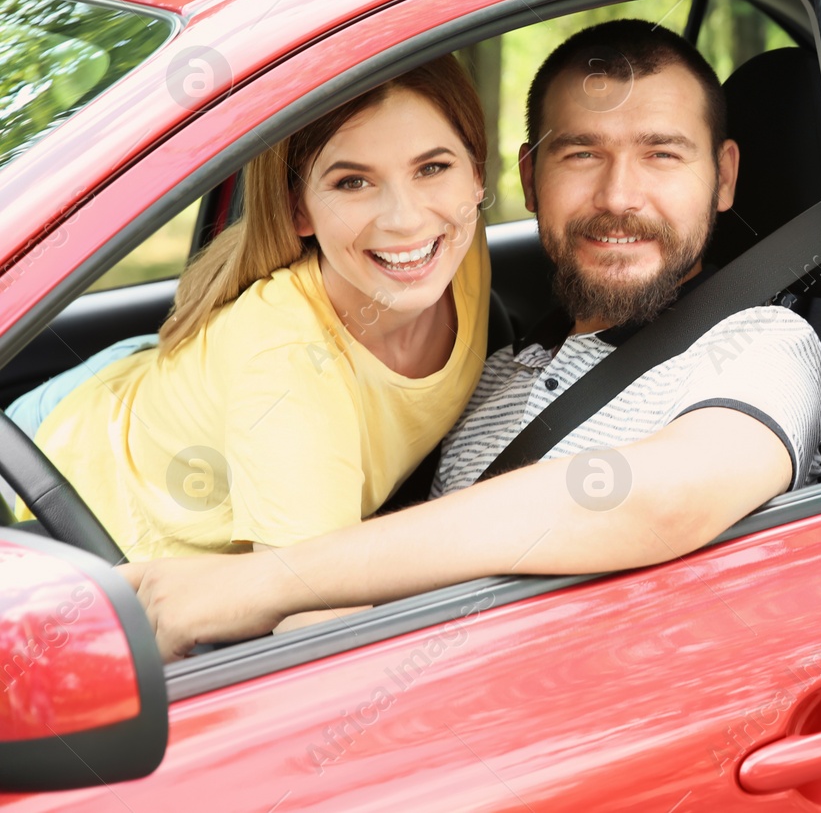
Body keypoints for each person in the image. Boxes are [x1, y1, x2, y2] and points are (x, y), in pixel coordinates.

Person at [123, 20, 821, 661]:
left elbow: (661, 499)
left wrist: (261, 583)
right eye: (582, 154)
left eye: (663, 155)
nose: (619, 195)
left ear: (724, 177)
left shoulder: (760, 344)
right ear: (528, 179)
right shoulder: (494, 364)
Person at [8, 55, 491, 560]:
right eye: (352, 182)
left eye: (432, 168)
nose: (406, 219)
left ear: (476, 177)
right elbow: (312, 618)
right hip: (60, 477)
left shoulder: (454, 243)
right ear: (298, 208)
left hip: (150, 380)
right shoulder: (289, 374)